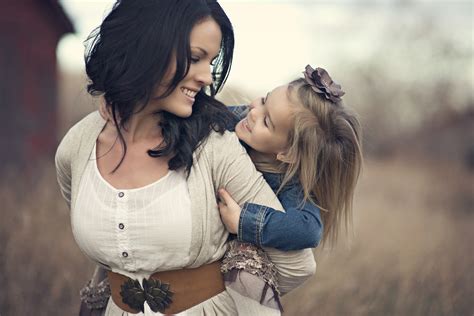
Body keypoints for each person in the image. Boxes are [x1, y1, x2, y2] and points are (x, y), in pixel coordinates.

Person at [55, 1, 315, 316]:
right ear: (146, 49)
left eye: (211, 61)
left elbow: (296, 265)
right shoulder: (77, 146)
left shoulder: (216, 147)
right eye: (195, 58)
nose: (206, 77)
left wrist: (215, 289)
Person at [217, 65, 363, 311]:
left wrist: (244, 221)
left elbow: (308, 230)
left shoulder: (291, 183)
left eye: (266, 121)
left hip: (237, 267)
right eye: (264, 99)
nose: (253, 111)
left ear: (287, 153)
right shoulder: (241, 118)